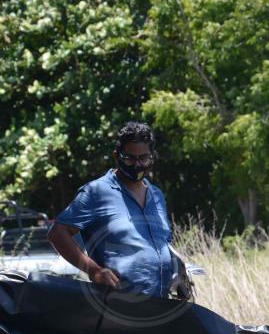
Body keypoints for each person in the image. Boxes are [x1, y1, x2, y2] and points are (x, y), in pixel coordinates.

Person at [48, 122, 174, 298]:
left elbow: (164, 245)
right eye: (129, 158)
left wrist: (178, 277)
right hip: (118, 306)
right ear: (117, 156)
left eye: (143, 158)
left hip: (161, 304)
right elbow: (57, 233)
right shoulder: (96, 192)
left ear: (152, 157)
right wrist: (94, 271)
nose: (137, 164)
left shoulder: (157, 195)